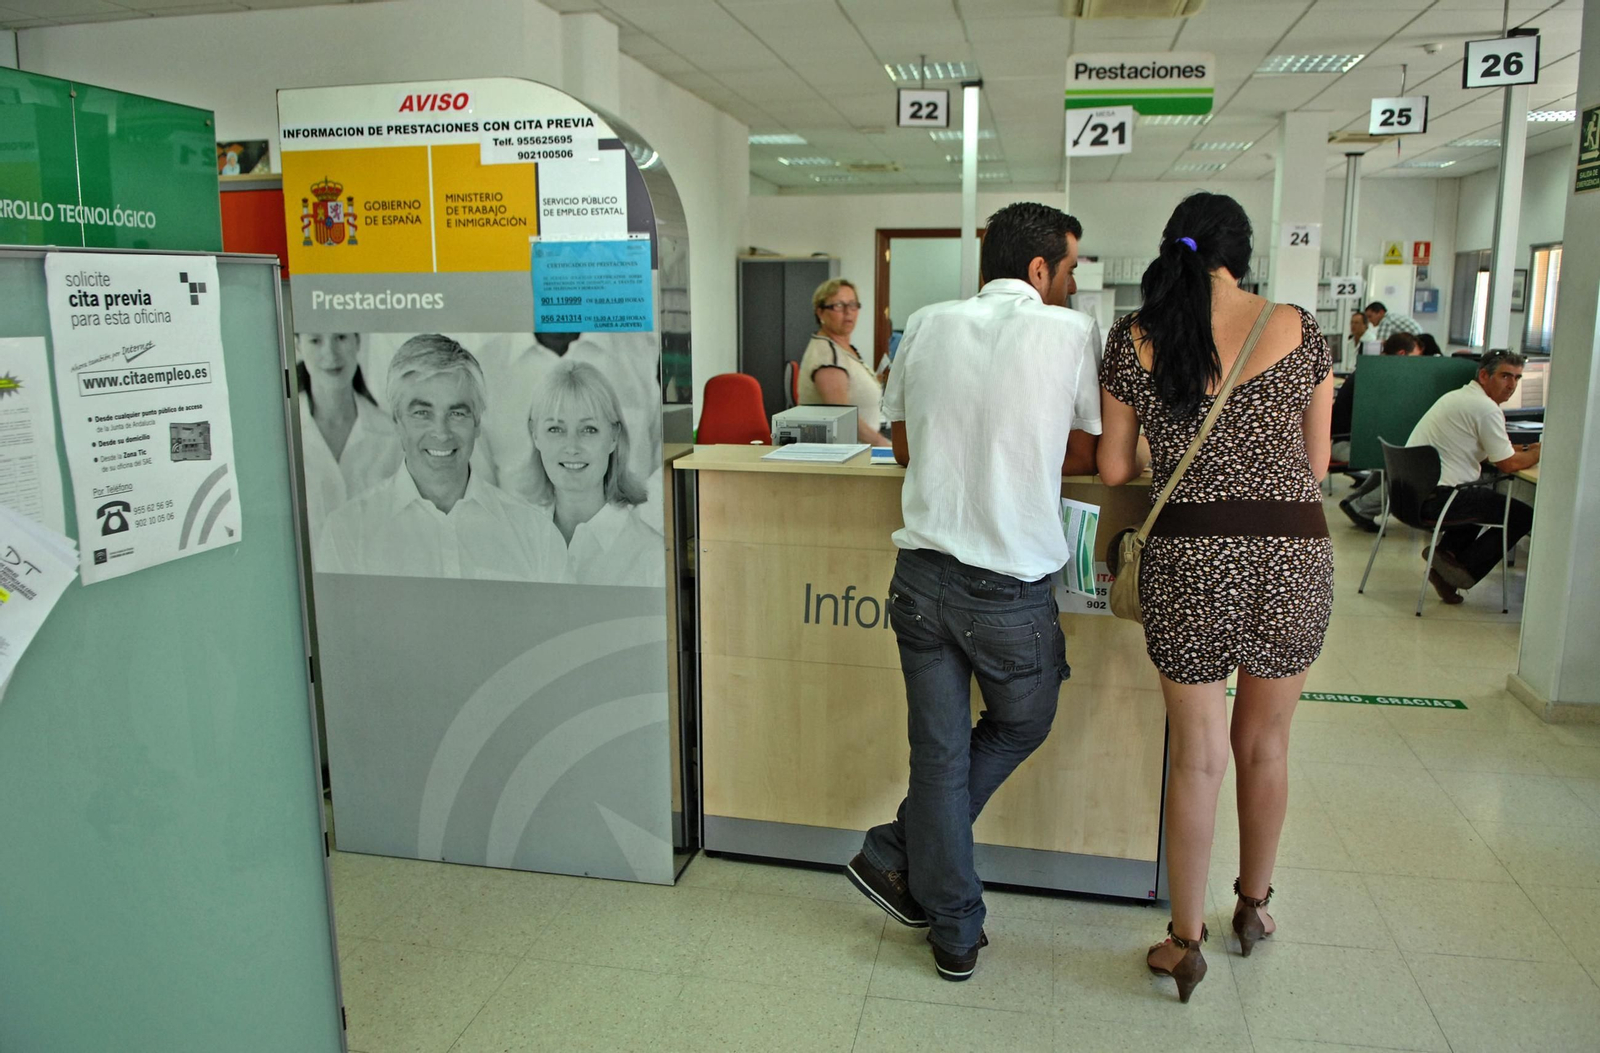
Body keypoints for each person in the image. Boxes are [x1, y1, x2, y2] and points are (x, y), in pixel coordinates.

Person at [844, 202, 1101, 982]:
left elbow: (900, 447)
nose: (1072, 282)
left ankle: (946, 916)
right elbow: (1086, 451)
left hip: (921, 577)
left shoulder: (923, 322)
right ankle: (898, 856)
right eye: (1070, 269)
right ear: (1037, 270)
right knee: (1023, 721)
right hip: (1007, 589)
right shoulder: (1069, 333)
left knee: (940, 756)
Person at [1097, 192, 1334, 1004]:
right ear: (1245, 252)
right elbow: (1319, 463)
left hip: (1190, 556)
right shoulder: (1300, 326)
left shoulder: (1136, 334)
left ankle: (1183, 939)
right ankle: (1254, 908)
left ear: (1174, 248)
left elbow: (1116, 472)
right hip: (1291, 558)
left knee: (1196, 754)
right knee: (1265, 745)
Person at [316, 334, 567, 582]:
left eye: (457, 413)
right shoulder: (346, 533)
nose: (441, 432)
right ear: (397, 421)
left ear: (477, 422)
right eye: (422, 413)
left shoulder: (536, 535)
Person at [1405, 349, 1540, 604]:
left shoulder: (1459, 397)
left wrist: (1525, 450)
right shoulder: (1485, 408)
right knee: (1522, 515)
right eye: (1505, 376)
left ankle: (1445, 562)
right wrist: (1539, 451)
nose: (1511, 385)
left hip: (1416, 495)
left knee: (1481, 499)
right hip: (1439, 500)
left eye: (1517, 378)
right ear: (1484, 375)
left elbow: (1494, 453)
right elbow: (1508, 464)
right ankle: (1464, 571)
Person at [527, 359, 664, 587]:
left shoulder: (651, 556)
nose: (572, 447)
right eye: (555, 429)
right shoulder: (518, 539)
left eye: (588, 429)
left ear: (613, 437)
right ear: (535, 435)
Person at [295, 332, 401, 537]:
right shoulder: (280, 434)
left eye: (341, 337)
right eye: (316, 340)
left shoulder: (393, 436)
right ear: (298, 345)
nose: (331, 353)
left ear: (357, 341)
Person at [797, 278, 890, 447]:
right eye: (839, 305)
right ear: (820, 312)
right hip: (846, 454)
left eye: (853, 305)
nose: (848, 312)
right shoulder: (827, 356)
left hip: (860, 447)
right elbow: (844, 416)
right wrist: (884, 444)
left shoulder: (841, 348)